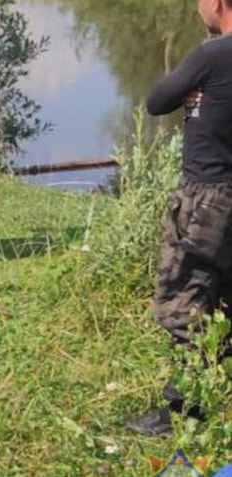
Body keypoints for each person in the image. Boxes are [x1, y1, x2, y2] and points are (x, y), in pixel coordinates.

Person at [125, 0, 232, 435]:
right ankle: (221, 392)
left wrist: (197, 86)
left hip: (207, 197)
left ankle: (184, 408)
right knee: (225, 298)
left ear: (217, 3)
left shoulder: (212, 54)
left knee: (185, 299)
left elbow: (157, 101)